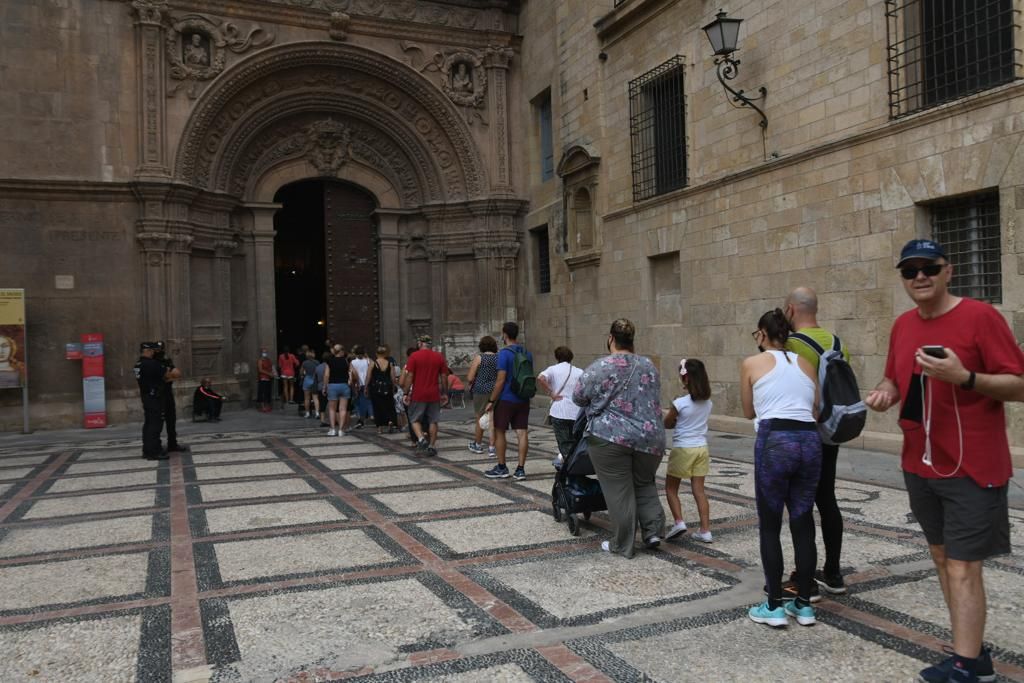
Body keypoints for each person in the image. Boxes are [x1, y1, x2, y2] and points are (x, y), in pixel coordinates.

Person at [864, 239, 1024, 683]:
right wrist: (884, 394)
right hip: (919, 463)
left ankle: (969, 669)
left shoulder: (980, 317)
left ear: (947, 271)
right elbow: (893, 377)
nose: (919, 277)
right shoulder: (902, 326)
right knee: (941, 557)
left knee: (962, 564)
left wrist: (965, 377)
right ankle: (970, 654)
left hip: (973, 465)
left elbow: (1019, 383)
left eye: (928, 268)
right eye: (909, 270)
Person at [742, 309, 821, 629]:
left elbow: (748, 411)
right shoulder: (805, 364)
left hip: (775, 439)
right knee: (803, 522)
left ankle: (774, 603)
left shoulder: (752, 363)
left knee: (770, 524)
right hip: (809, 440)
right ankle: (803, 604)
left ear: (762, 334)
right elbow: (815, 410)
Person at [572, 318, 665, 558]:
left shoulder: (601, 366)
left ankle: (622, 544)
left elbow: (579, 397)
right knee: (644, 482)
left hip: (611, 437)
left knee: (618, 490)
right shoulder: (649, 365)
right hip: (650, 436)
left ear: (611, 338)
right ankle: (653, 532)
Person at [783, 286, 850, 600]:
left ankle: (804, 577)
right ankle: (834, 572)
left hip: (803, 433)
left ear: (791, 309)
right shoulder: (837, 342)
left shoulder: (791, 345)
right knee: (828, 498)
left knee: (801, 504)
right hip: (831, 432)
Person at [663, 358, 713, 543]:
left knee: (670, 488)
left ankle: (678, 521)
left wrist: (672, 416)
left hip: (683, 448)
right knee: (699, 490)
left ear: (686, 379)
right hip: (702, 448)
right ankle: (705, 530)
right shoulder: (708, 403)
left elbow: (667, 423)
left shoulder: (680, 403)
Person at [484, 322, 534, 480]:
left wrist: (491, 400)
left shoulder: (504, 353)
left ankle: (502, 467)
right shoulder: (527, 352)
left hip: (506, 398)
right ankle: (520, 469)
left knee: (500, 431)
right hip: (523, 398)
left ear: (504, 334)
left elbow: (500, 380)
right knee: (522, 432)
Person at [402, 335, 450, 456]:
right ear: (430, 344)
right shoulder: (439, 357)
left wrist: (406, 392)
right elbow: (444, 376)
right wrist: (445, 393)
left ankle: (421, 439)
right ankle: (432, 446)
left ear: (420, 343)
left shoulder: (414, 356)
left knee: (414, 419)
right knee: (433, 420)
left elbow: (410, 376)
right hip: (434, 393)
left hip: (418, 393)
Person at [537, 346, 583, 468]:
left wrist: (551, 393)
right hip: (576, 411)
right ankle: (573, 464)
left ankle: (568, 467)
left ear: (557, 357)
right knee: (575, 441)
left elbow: (540, 378)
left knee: (563, 442)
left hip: (559, 411)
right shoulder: (579, 371)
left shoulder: (553, 369)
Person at [133, 342, 167, 460]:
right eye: (152, 351)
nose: (154, 353)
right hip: (154, 397)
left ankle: (147, 450)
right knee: (155, 424)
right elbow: (166, 375)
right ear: (147, 351)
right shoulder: (151, 364)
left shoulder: (138, 364)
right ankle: (154, 451)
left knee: (148, 424)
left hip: (146, 396)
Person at [466, 335, 499, 455]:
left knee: (480, 417)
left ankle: (478, 444)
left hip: (480, 391)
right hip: (495, 390)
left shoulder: (479, 358)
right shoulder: (498, 357)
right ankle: (492, 447)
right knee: (492, 419)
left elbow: (470, 377)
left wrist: (473, 380)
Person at [155, 341, 187, 453]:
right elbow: (163, 375)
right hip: (158, 393)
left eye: (161, 348)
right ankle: (156, 446)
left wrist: (168, 376)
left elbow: (177, 373)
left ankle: (172, 444)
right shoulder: (153, 361)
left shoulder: (166, 359)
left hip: (167, 391)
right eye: (157, 348)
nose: (159, 350)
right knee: (158, 421)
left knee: (171, 419)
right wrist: (167, 375)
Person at [324, 344, 354, 436]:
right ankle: (341, 430)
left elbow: (326, 375)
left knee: (332, 409)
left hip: (333, 386)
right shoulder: (346, 361)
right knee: (343, 409)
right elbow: (351, 373)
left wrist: (325, 386)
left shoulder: (329, 361)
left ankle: (333, 429)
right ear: (342, 351)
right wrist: (350, 382)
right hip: (344, 386)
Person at [368, 346, 399, 434]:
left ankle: (379, 428)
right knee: (389, 405)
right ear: (385, 354)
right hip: (387, 388)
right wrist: (394, 387)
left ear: (376, 353)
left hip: (375, 388)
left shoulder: (373, 363)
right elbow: (393, 377)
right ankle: (390, 421)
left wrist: (366, 386)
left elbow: (368, 376)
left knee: (377, 407)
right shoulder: (390, 363)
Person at [350, 345, 373, 429]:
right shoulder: (368, 361)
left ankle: (360, 417)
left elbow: (351, 374)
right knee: (368, 400)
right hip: (367, 383)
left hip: (357, 384)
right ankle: (371, 414)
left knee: (358, 401)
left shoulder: (352, 362)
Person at [300, 350, 320, 419]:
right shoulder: (317, 362)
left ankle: (307, 413)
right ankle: (317, 413)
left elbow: (301, 373)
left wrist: (303, 375)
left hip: (307, 380)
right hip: (314, 380)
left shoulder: (304, 363)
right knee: (315, 398)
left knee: (307, 398)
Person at [256, 347, 275, 413]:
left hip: (268, 379)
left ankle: (267, 406)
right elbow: (260, 370)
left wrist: (274, 373)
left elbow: (272, 367)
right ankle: (262, 407)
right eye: (264, 352)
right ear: (261, 353)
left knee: (267, 393)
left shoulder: (268, 360)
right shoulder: (260, 361)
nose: (265, 353)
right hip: (263, 378)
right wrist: (269, 374)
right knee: (262, 393)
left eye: (266, 352)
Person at [315, 351, 330, 426]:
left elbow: (316, 377)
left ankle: (322, 420)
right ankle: (330, 420)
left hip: (320, 386)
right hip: (329, 386)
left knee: (322, 404)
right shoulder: (330, 366)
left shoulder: (318, 367)